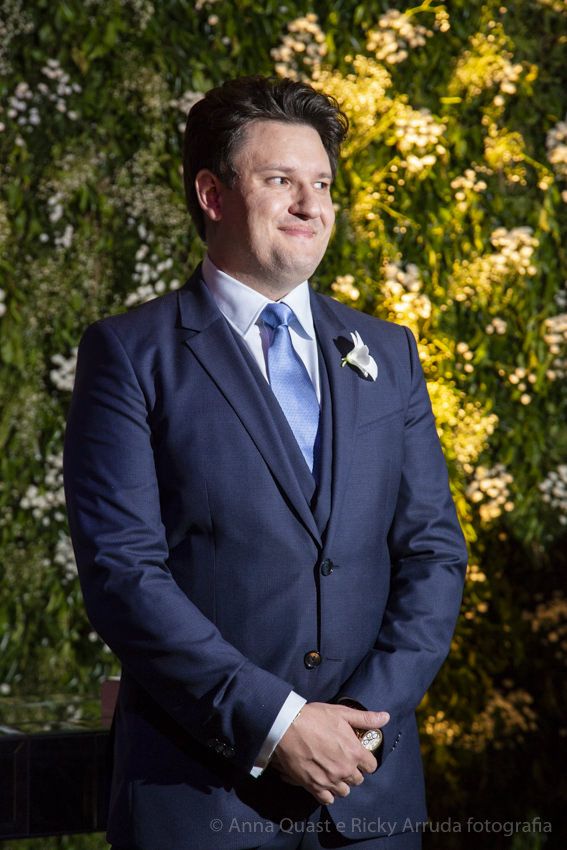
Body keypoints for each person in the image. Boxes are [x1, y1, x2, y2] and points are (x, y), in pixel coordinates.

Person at [63, 75, 467, 850]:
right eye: (281, 180)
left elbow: (432, 552)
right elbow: (123, 574)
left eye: (323, 184)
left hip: (367, 798)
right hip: (201, 801)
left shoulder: (387, 352)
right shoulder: (129, 354)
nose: (311, 205)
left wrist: (358, 727)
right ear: (212, 195)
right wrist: (278, 725)